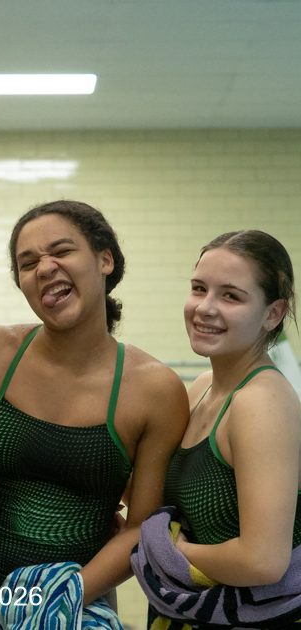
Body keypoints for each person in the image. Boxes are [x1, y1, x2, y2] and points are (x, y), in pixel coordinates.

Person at [0, 200, 190, 628]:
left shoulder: (155, 390)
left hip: (75, 609)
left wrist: (55, 602)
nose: (45, 267)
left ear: (105, 260)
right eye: (28, 262)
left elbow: (141, 530)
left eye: (62, 251)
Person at [134, 230, 301, 630]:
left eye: (231, 296)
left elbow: (262, 560)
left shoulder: (260, 402)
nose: (205, 308)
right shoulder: (202, 387)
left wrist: (169, 550)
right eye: (199, 289)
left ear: (273, 313)